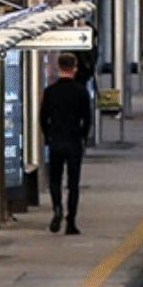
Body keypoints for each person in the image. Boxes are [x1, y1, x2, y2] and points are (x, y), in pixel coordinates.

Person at [39, 52, 92, 236]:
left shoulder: (50, 92)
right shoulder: (81, 91)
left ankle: (57, 209)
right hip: (74, 141)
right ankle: (71, 221)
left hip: (55, 141)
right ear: (75, 68)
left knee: (55, 180)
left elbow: (42, 118)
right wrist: (83, 138)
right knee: (73, 183)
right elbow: (87, 119)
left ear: (58, 68)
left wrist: (48, 136)